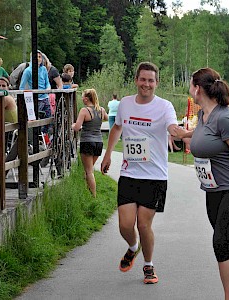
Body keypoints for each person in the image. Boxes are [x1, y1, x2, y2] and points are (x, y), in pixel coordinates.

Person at [174, 68, 229, 300]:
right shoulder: (203, 115)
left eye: (190, 84)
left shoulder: (225, 117)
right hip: (213, 191)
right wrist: (182, 134)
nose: (189, 88)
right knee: (226, 242)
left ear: (197, 89)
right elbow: (203, 135)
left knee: (220, 242)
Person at [100, 62, 178, 285]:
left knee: (144, 225)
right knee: (125, 225)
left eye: (151, 80)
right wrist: (108, 155)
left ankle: (148, 265)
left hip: (154, 176)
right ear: (136, 80)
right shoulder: (125, 103)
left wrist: (186, 133)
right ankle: (133, 247)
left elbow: (173, 128)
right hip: (129, 172)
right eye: (143, 79)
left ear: (157, 83)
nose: (146, 84)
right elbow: (117, 128)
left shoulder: (165, 106)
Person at [72, 88, 108, 197]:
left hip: (87, 142)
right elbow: (106, 118)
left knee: (89, 171)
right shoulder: (101, 110)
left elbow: (77, 127)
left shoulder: (84, 111)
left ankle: (93, 196)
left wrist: (72, 125)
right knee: (89, 169)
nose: (82, 99)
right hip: (99, 142)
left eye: (83, 97)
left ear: (87, 99)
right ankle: (86, 192)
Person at [19, 50, 51, 132]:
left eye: (40, 57)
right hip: (35, 99)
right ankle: (37, 135)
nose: (38, 59)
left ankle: (44, 134)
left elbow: (47, 82)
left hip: (45, 97)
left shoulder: (43, 69)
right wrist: (25, 97)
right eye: (36, 57)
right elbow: (22, 86)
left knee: (48, 118)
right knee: (36, 119)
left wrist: (48, 89)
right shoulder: (28, 71)